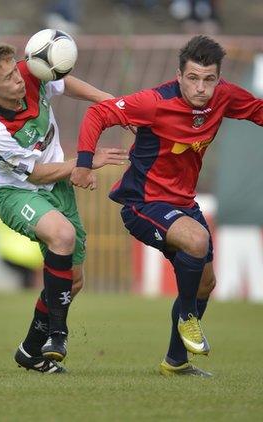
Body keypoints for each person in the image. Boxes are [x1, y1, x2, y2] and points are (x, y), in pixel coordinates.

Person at [70, 35, 263, 377]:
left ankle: (175, 363)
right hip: (142, 204)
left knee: (206, 283)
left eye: (209, 79)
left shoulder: (225, 97)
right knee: (197, 240)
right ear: (179, 75)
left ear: (218, 79)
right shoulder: (154, 102)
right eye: (192, 78)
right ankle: (188, 317)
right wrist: (83, 164)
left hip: (182, 204)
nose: (201, 88)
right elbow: (99, 112)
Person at [0, 43, 128, 374]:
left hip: (59, 188)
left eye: (17, 70)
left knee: (73, 282)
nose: (19, 78)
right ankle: (59, 334)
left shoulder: (29, 73)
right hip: (18, 194)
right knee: (63, 235)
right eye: (9, 77)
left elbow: (64, 82)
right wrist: (85, 162)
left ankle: (30, 350)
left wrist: (107, 100)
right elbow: (37, 173)